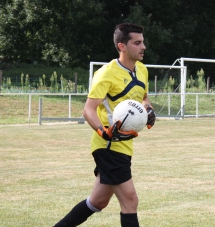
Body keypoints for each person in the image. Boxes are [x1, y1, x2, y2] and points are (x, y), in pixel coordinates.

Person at [53, 23, 156, 227]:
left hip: (125, 145)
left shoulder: (142, 70)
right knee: (130, 201)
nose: (143, 47)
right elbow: (88, 110)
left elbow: (144, 98)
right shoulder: (106, 73)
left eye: (143, 42)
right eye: (137, 43)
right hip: (109, 145)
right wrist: (104, 131)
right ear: (122, 46)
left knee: (98, 202)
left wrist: (149, 110)